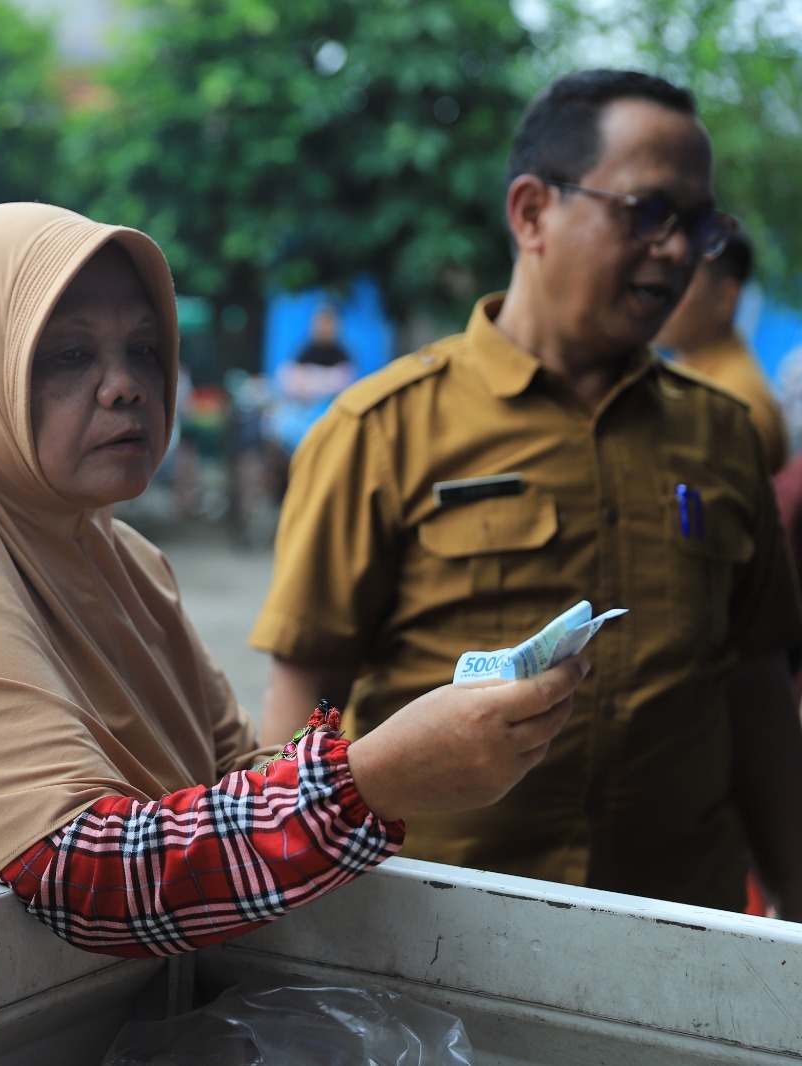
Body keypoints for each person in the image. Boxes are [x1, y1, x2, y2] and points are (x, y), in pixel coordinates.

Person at [0, 202, 587, 953]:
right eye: (67, 355)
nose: (126, 383)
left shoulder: (125, 560)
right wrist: (371, 781)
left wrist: (391, 760)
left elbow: (231, 772)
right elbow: (100, 876)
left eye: (144, 348)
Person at [252, 70, 802, 917]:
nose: (678, 249)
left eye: (698, 225)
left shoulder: (726, 436)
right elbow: (303, 704)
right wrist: (286, 932)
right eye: (647, 212)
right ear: (532, 212)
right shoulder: (381, 430)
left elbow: (757, 690)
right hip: (439, 948)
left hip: (684, 944)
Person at [655, 231, 787, 473]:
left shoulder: (736, 404)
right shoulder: (684, 368)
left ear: (726, 298)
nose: (664, 293)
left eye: (684, 281)